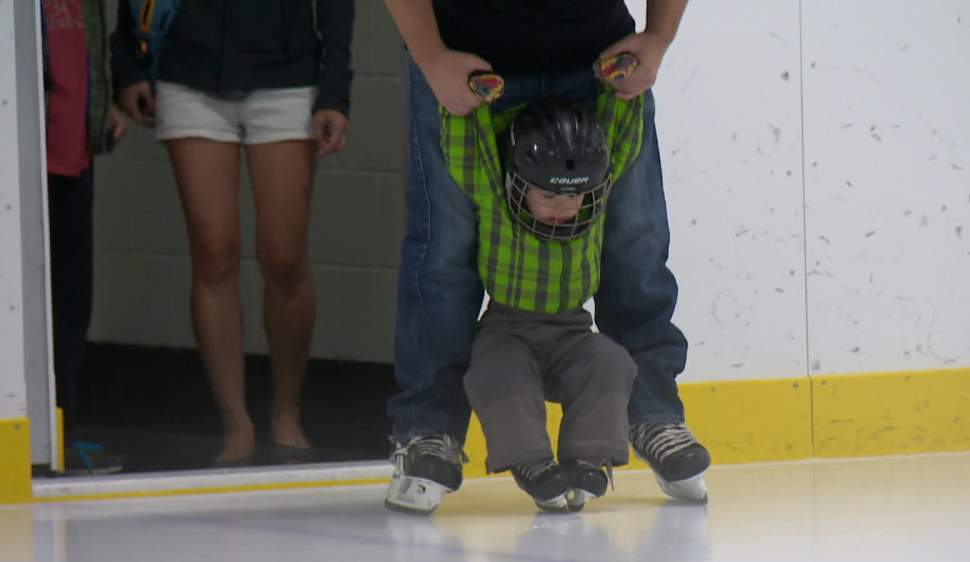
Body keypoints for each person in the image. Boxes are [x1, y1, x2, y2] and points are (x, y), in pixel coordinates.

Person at [382, 0, 709, 509]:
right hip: (464, 65)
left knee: (635, 242)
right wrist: (430, 54)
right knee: (443, 253)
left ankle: (655, 415)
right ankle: (428, 433)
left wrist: (659, 36)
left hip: (600, 64)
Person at [110, 0, 354, 467]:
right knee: (214, 253)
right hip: (186, 71)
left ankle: (287, 411)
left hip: (288, 74)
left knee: (284, 258)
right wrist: (127, 61)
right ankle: (235, 424)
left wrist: (334, 88)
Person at [390, 97, 639, 513]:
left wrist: (625, 93)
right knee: (494, 368)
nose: (562, 209)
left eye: (574, 196)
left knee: (611, 360)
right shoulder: (494, 197)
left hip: (574, 333)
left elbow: (623, 139)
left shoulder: (597, 205)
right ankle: (531, 461)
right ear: (517, 180)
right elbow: (467, 150)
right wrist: (468, 103)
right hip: (507, 331)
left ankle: (588, 457)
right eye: (547, 195)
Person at [43, 0, 127, 474]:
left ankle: (63, 429)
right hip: (27, 158)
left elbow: (86, 49)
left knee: (71, 301)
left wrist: (105, 104)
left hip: (75, 154)